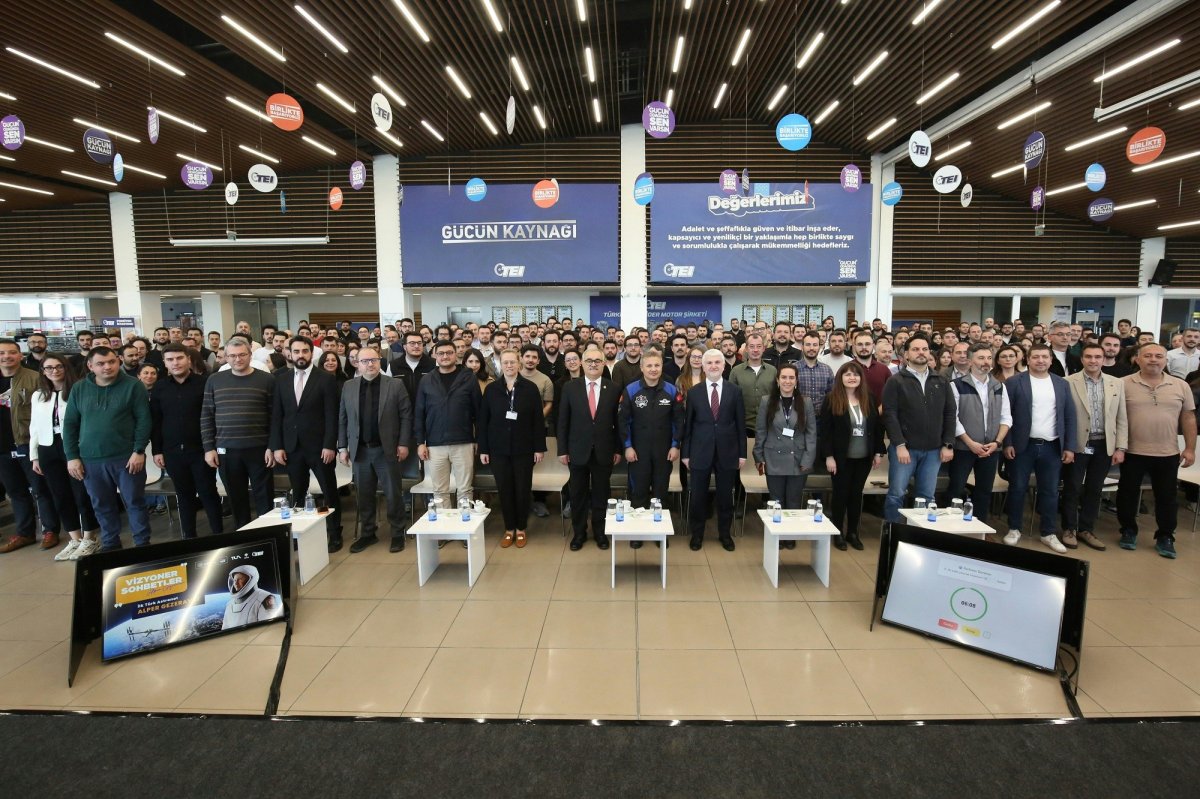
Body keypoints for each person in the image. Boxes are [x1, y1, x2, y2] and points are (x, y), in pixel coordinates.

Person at [62, 347, 152, 552]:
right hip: (90, 459)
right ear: (90, 366)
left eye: (111, 362)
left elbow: (144, 420)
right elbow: (70, 425)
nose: (107, 367)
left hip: (127, 458)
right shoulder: (79, 389)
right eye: (101, 363)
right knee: (101, 505)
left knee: (135, 502)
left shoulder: (133, 386)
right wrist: (72, 456)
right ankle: (111, 543)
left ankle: (142, 544)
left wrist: (139, 451)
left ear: (119, 361)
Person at [1116, 343, 1197, 558]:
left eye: (1158, 356)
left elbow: (1188, 418)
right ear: (1137, 359)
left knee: (1167, 497)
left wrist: (1190, 449)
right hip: (1132, 451)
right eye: (1148, 355)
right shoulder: (1122, 384)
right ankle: (1128, 530)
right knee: (1127, 494)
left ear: (1166, 360)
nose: (1153, 359)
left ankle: (1165, 536)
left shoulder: (1180, 386)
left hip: (1167, 452)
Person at [271, 337, 343, 553]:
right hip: (292, 448)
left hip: (320, 447)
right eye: (296, 351)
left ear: (312, 353)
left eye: (304, 351)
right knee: (298, 493)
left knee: (329, 492)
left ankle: (334, 534)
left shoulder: (325, 379)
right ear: (289, 354)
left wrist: (330, 444)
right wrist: (277, 446)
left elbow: (332, 415)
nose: (300, 355)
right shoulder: (281, 379)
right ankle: (300, 532)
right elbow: (277, 415)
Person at [1002, 344, 1076, 553]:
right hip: (1022, 446)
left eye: (1045, 357)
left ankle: (1048, 532)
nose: (1041, 361)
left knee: (1050, 491)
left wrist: (1069, 447)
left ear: (1051, 360)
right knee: (1017, 488)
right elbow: (1005, 416)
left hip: (1052, 446)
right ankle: (1014, 528)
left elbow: (1069, 416)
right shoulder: (1015, 382)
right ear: (1027, 359)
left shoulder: (1061, 384)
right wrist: (1007, 443)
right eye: (1036, 357)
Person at [338, 347, 413, 553]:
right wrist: (342, 447)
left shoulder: (395, 385)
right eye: (364, 361)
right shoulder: (349, 386)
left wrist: (404, 443)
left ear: (380, 361)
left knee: (393, 493)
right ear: (357, 364)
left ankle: (398, 533)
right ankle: (368, 533)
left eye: (373, 360)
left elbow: (406, 416)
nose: (369, 364)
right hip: (360, 450)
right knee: (364, 494)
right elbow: (343, 419)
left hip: (386, 449)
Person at [29, 353, 100, 559]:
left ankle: (90, 538)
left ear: (66, 367)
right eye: (49, 368)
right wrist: (34, 456)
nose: (54, 371)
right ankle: (74, 539)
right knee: (60, 496)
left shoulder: (78, 390)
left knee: (81, 494)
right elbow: (34, 427)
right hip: (47, 447)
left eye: (58, 366)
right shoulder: (39, 395)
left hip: (74, 446)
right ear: (43, 371)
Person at [150, 344, 224, 541]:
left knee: (208, 492)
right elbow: (156, 421)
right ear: (165, 363)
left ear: (189, 359)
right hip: (172, 451)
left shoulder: (205, 383)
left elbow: (213, 416)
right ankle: (189, 537)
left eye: (179, 358)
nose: (176, 363)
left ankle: (218, 535)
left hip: (202, 449)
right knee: (183, 495)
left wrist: (213, 447)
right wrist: (157, 450)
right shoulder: (160, 387)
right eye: (170, 359)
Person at [201, 338, 276, 530]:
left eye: (242, 354)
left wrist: (272, 446)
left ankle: (268, 536)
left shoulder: (267, 380)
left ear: (250, 354)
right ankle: (244, 536)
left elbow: (275, 416)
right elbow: (207, 415)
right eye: (232, 355)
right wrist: (209, 448)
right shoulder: (214, 380)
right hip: (227, 450)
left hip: (260, 449)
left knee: (264, 497)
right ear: (225, 357)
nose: (237, 359)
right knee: (236, 498)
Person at [880, 335, 956, 523]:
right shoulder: (896, 381)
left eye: (924, 349)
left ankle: (920, 537)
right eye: (915, 349)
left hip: (933, 450)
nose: (921, 352)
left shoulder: (941, 380)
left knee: (927, 497)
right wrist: (899, 444)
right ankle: (893, 536)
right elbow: (890, 414)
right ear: (906, 354)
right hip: (905, 449)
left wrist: (948, 444)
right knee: (896, 494)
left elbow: (950, 413)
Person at [1061, 343, 1127, 551]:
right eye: (1088, 357)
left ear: (1103, 359)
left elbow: (1121, 417)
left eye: (1097, 357)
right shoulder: (1068, 382)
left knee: (1094, 489)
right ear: (1082, 359)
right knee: (1072, 487)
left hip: (1104, 445)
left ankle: (1086, 529)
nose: (1093, 361)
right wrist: (1067, 446)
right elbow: (1063, 417)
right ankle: (1069, 528)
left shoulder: (1116, 383)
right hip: (1078, 444)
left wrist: (1121, 447)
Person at [479, 349, 546, 548]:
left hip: (524, 448)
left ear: (519, 364)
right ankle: (509, 529)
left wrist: (539, 448)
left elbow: (537, 420)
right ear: (500, 364)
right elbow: (483, 421)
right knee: (505, 489)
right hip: (498, 449)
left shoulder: (530, 388)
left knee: (522, 489)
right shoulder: (491, 389)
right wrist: (484, 449)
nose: (509, 366)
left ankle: (521, 528)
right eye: (505, 362)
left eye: (512, 362)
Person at [681, 349, 746, 551]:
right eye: (709, 363)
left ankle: (725, 535)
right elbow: (688, 425)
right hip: (700, 451)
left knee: (725, 497)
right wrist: (685, 453)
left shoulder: (735, 391)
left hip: (728, 452)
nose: (714, 366)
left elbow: (740, 425)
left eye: (718, 362)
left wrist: (742, 453)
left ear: (724, 365)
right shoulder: (694, 392)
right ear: (703, 366)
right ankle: (697, 535)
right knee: (698, 497)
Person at [558, 347, 621, 551]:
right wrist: (562, 450)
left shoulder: (613, 388)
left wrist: (618, 449)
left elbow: (618, 423)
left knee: (602, 494)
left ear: (604, 364)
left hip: (604, 450)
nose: (593, 364)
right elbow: (563, 421)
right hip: (577, 450)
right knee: (578, 495)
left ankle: (600, 532)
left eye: (597, 361)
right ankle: (579, 533)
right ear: (582, 364)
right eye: (589, 361)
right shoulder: (570, 387)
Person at [619, 349, 683, 549]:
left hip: (664, 451)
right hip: (638, 451)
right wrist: (627, 447)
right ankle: (637, 532)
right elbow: (623, 422)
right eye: (649, 365)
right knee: (638, 492)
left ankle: (658, 532)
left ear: (661, 367)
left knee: (660, 492)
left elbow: (678, 421)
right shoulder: (630, 390)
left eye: (657, 365)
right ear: (642, 367)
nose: (653, 369)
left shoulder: (672, 391)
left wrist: (675, 445)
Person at [0, 339, 59, 553]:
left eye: (11, 352)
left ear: (19, 354)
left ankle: (50, 529)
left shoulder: (35, 378)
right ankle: (24, 533)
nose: (7, 356)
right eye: (2, 353)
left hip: (27, 443)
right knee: (15, 492)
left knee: (41, 488)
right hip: (2, 446)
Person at [819, 362, 885, 550]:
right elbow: (825, 432)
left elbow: (877, 428)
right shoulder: (832, 399)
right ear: (840, 377)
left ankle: (853, 533)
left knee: (856, 495)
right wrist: (829, 456)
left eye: (855, 374)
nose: (851, 377)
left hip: (864, 457)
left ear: (860, 378)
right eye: (847, 374)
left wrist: (878, 452)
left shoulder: (869, 398)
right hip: (840, 458)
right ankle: (837, 532)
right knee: (840, 496)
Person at [946, 344, 1011, 529]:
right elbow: (953, 418)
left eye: (989, 358)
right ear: (970, 360)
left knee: (984, 491)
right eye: (981, 358)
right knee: (956, 489)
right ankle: (952, 529)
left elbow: (1007, 417)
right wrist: (970, 442)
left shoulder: (999, 387)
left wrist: (997, 442)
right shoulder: (956, 385)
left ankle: (979, 529)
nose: (986, 362)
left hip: (991, 448)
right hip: (964, 448)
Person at [753, 364, 816, 550]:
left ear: (796, 381)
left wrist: (808, 459)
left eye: (791, 378)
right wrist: (759, 457)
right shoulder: (767, 401)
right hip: (773, 458)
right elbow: (761, 430)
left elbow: (811, 434)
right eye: (784, 378)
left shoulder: (805, 402)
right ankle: (778, 534)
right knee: (776, 500)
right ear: (777, 380)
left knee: (794, 500)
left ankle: (791, 535)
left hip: (798, 459)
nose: (787, 381)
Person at [415, 340, 480, 514]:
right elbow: (419, 413)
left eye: (449, 352)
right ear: (435, 355)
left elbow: (478, 412)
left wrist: (478, 439)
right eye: (441, 353)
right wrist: (420, 442)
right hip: (435, 444)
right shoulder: (426, 380)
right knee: (440, 491)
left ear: (456, 354)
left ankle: (465, 529)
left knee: (465, 490)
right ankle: (444, 530)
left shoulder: (468, 377)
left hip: (464, 442)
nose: (445, 356)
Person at [729, 333, 778, 437]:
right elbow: (730, 400)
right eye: (751, 346)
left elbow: (777, 398)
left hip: (768, 426)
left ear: (764, 348)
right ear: (746, 348)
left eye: (759, 346)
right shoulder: (736, 371)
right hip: (743, 426)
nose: (755, 350)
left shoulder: (773, 371)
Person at [221, 564, 281, 629]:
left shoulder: (264, 598)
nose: (236, 583)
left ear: (252, 579)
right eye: (235, 580)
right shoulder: (229, 604)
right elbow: (225, 628)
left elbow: (270, 628)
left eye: (240, 579)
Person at [795, 332, 834, 423]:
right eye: (808, 345)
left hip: (821, 420)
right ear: (802, 347)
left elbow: (832, 396)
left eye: (815, 345)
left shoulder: (827, 370)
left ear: (819, 347)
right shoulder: (793, 369)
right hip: (798, 418)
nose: (811, 348)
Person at [851, 331, 891, 408]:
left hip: (880, 417)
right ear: (854, 346)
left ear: (873, 346)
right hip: (854, 417)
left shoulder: (884, 369)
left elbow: (892, 394)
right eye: (860, 344)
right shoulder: (847, 369)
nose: (864, 347)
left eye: (867, 344)